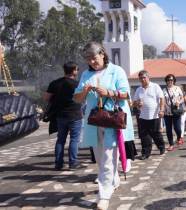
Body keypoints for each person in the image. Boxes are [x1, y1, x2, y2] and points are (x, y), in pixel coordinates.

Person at [73, 42, 134, 210]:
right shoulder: (86, 74)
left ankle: (104, 195)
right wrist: (84, 91)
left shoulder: (116, 71)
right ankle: (113, 180)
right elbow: (76, 98)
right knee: (100, 159)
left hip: (111, 121)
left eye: (94, 58)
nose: (92, 62)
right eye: (88, 59)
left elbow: (126, 94)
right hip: (93, 121)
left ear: (102, 54)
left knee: (108, 158)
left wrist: (109, 92)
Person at [44, 62, 83, 171]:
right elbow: (82, 98)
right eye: (77, 69)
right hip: (75, 115)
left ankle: (58, 163)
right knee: (74, 139)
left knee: (60, 140)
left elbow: (46, 98)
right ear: (74, 70)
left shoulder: (54, 83)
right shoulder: (77, 84)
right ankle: (73, 163)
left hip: (60, 115)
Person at [133, 70, 166, 160]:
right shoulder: (139, 89)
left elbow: (162, 99)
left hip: (154, 115)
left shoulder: (155, 86)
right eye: (141, 78)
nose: (142, 79)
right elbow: (134, 102)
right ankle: (145, 153)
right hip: (143, 116)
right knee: (144, 136)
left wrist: (162, 110)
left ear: (148, 77)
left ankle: (161, 146)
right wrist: (137, 103)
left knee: (156, 134)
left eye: (144, 77)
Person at [162, 74, 184, 151]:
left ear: (174, 80)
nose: (170, 81)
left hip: (176, 111)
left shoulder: (177, 88)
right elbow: (162, 100)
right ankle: (171, 144)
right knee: (168, 129)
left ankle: (179, 137)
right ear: (166, 81)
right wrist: (162, 107)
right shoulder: (164, 90)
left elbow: (182, 98)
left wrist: (179, 102)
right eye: (168, 80)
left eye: (171, 80)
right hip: (167, 112)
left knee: (177, 128)